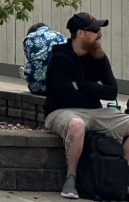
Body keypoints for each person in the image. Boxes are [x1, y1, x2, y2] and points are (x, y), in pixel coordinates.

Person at [43, 12, 129, 199]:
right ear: (81, 33)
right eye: (95, 30)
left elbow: (112, 91)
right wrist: (95, 87)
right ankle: (70, 179)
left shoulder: (98, 57)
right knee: (77, 125)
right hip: (61, 111)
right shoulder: (60, 59)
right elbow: (67, 97)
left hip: (95, 111)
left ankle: (123, 178)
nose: (100, 34)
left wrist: (81, 84)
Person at [23, 22, 67, 95]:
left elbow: (30, 59)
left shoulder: (29, 38)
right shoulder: (60, 36)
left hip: (37, 87)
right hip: (61, 86)